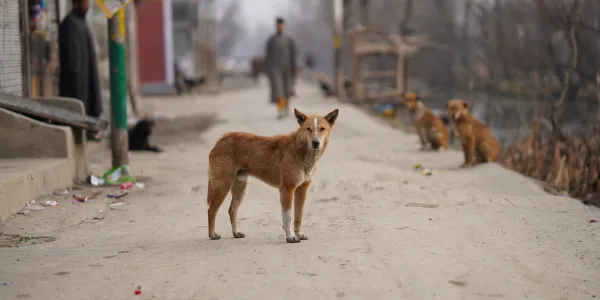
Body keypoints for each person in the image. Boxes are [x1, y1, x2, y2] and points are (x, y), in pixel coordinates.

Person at [58, 0, 102, 125]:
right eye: (85, 2)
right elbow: (73, 63)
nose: (88, 5)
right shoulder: (70, 24)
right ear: (76, 3)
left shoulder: (81, 22)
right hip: (77, 85)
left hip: (86, 80)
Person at [264, 17, 297, 119]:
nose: (280, 26)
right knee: (278, 92)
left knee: (286, 91)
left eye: (281, 24)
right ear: (276, 26)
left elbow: (293, 56)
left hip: (287, 69)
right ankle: (281, 110)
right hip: (275, 70)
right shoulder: (271, 40)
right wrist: (267, 71)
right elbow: (267, 57)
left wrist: (294, 70)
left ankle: (286, 108)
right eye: (278, 25)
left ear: (283, 26)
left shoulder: (289, 40)